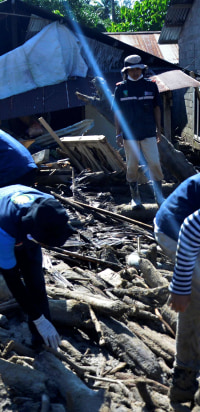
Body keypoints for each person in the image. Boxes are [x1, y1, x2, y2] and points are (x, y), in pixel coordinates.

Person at [0, 184, 75, 351]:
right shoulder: (3, 226)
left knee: (36, 283)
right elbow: (13, 280)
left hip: (25, 228)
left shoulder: (50, 210)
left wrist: (42, 322)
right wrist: (38, 318)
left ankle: (41, 338)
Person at [154, 174, 200, 408]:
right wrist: (181, 287)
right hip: (175, 228)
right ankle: (185, 378)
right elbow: (192, 229)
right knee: (197, 299)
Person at [113, 54, 165, 209]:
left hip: (149, 132)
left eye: (138, 69)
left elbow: (157, 108)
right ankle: (135, 197)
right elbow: (117, 113)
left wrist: (158, 128)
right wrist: (118, 133)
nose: (135, 72)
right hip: (130, 136)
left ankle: (159, 196)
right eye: (131, 69)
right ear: (126, 71)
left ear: (143, 69)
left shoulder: (151, 86)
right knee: (132, 166)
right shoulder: (121, 88)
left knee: (155, 163)